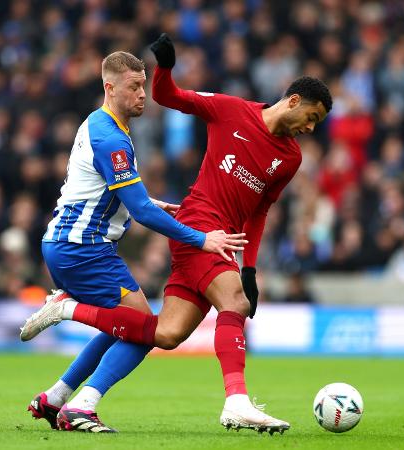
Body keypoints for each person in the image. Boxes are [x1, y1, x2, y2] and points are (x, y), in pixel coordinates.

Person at [22, 34, 332, 434]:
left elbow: (260, 212)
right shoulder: (229, 110)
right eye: (312, 117)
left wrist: (250, 270)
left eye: (317, 124)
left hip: (216, 238)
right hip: (197, 228)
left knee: (161, 333)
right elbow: (170, 95)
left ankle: (69, 397)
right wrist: (165, 67)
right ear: (293, 101)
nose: (311, 127)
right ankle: (236, 401)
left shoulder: (290, 158)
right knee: (232, 304)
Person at [21, 49, 247, 433]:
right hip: (83, 249)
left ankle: (55, 398)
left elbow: (101, 190)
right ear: (110, 87)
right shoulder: (112, 138)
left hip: (68, 244)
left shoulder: (100, 123)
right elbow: (140, 212)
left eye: (143, 85)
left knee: (124, 326)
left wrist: (144, 202)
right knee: (144, 328)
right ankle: (81, 400)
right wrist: (201, 239)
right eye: (134, 87)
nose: (143, 94)